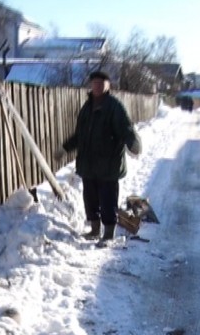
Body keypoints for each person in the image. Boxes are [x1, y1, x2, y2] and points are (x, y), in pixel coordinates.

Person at [56, 70, 142, 246]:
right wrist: (65, 148)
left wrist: (132, 143)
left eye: (101, 83)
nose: (97, 86)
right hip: (88, 164)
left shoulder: (114, 107)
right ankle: (95, 230)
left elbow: (126, 128)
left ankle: (108, 233)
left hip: (108, 165)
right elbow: (80, 135)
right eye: (94, 83)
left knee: (108, 200)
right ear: (90, 85)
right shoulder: (87, 108)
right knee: (90, 199)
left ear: (108, 86)